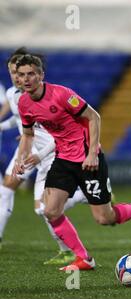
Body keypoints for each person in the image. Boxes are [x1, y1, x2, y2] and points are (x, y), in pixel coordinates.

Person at [13, 54, 131, 271]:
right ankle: (84, 259)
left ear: (41, 75)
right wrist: (20, 159)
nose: (26, 79)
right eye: (21, 74)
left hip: (87, 159)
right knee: (50, 211)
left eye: (31, 74)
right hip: (63, 159)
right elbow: (27, 135)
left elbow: (94, 117)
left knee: (104, 218)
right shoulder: (24, 103)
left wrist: (92, 153)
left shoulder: (62, 95)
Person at [0, 48, 89, 265]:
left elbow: (55, 135)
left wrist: (37, 153)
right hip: (27, 152)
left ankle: (80, 201)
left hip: (47, 156)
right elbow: (20, 123)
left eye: (21, 73)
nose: (17, 77)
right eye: (14, 73)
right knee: (5, 189)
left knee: (43, 209)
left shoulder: (44, 97)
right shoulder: (13, 95)